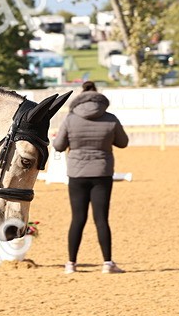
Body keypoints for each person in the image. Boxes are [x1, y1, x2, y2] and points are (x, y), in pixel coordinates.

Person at [53, 81, 129, 274]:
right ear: (99, 98)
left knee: (77, 218)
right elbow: (123, 142)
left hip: (77, 174)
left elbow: (59, 146)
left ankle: (71, 264)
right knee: (101, 219)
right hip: (102, 172)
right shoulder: (110, 118)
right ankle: (107, 263)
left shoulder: (70, 119)